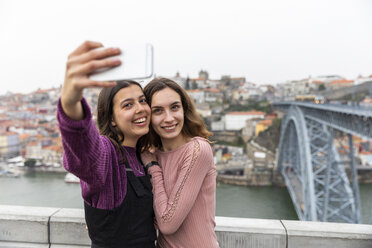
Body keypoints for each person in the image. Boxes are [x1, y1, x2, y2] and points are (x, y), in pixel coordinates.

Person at [57, 41, 156, 248]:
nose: (140, 108)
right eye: (128, 105)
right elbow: (85, 150)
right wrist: (70, 102)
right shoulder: (108, 154)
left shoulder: (143, 155)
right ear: (111, 119)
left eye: (142, 100)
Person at [140, 78, 219, 248]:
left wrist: (153, 169)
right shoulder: (152, 156)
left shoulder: (197, 150)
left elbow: (168, 224)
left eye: (175, 107)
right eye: (158, 111)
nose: (169, 118)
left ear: (184, 109)